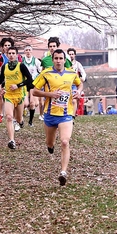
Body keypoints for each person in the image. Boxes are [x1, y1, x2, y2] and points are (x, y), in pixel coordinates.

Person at [32, 49, 83, 186]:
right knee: (49, 142)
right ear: (53, 59)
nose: (58, 61)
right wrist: (50, 94)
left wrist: (78, 91)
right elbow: (34, 91)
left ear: (64, 60)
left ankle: (63, 172)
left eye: (61, 58)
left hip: (66, 114)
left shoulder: (71, 73)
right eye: (56, 58)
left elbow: (80, 83)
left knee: (65, 142)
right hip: (50, 114)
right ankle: (50, 145)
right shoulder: (46, 73)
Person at [0, 46, 34, 150]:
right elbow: (0, 80)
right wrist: (0, 88)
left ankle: (21, 121)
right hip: (8, 95)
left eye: (13, 53)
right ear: (7, 55)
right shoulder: (4, 67)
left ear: (17, 55)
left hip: (19, 96)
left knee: (18, 118)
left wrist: (18, 85)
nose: (11, 55)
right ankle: (11, 140)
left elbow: (30, 80)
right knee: (9, 117)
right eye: (9, 53)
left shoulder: (21, 66)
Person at [0, 37, 17, 124]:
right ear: (2, 47)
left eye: (9, 45)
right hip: (1, 80)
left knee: (10, 98)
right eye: (5, 45)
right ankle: (0, 114)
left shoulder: (17, 57)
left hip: (13, 80)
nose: (7, 47)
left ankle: (12, 116)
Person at [22, 45, 42, 127]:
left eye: (29, 50)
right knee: (25, 104)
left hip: (33, 83)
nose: (28, 51)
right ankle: (21, 117)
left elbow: (41, 71)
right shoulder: (22, 61)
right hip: (24, 83)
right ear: (24, 52)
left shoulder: (36, 60)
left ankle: (30, 121)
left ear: (32, 51)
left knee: (32, 103)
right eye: (26, 50)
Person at [67, 48, 87, 117]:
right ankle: (70, 112)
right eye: (69, 54)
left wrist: (83, 78)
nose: (71, 56)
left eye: (72, 54)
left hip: (75, 84)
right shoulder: (65, 64)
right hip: (67, 84)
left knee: (75, 98)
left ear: (75, 55)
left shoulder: (77, 64)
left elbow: (83, 72)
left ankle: (74, 113)